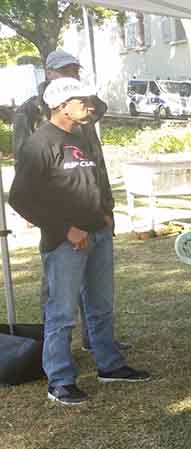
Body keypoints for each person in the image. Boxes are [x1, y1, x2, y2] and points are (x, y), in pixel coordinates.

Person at [9, 78, 150, 405]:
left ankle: (109, 365)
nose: (89, 105)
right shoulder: (39, 144)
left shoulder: (82, 136)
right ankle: (59, 381)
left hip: (97, 233)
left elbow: (92, 179)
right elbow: (20, 198)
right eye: (82, 100)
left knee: (101, 305)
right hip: (65, 243)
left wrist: (104, 213)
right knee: (61, 312)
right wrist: (65, 229)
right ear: (61, 105)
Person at [13, 49, 129, 353]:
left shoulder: (83, 118)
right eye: (65, 70)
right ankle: (55, 359)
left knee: (100, 298)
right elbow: (23, 183)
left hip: (94, 217)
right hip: (61, 221)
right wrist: (57, 224)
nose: (72, 74)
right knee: (59, 299)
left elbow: (95, 166)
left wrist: (105, 209)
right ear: (49, 72)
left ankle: (101, 349)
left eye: (75, 69)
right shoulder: (32, 114)